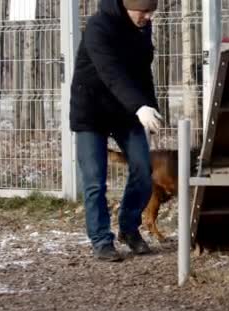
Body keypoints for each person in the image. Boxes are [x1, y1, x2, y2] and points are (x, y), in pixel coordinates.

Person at [69, 0, 162, 261]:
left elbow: (143, 72)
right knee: (95, 181)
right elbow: (111, 73)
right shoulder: (99, 27)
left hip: (126, 112)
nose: (147, 16)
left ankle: (129, 229)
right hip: (92, 111)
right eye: (142, 11)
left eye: (150, 11)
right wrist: (139, 106)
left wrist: (150, 108)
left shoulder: (142, 27)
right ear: (125, 6)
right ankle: (101, 240)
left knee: (144, 170)